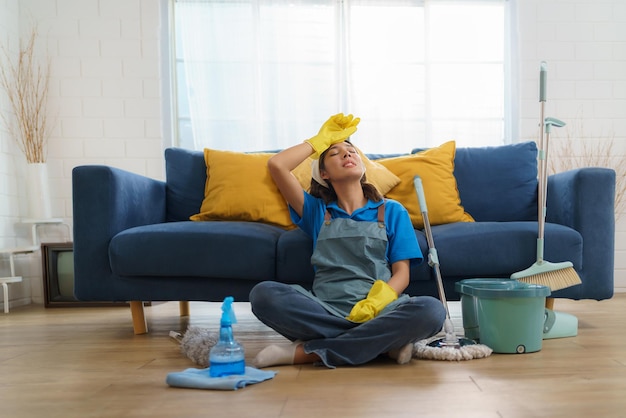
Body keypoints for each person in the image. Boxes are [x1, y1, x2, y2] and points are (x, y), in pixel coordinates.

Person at [249, 113, 446, 368]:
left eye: (351, 150)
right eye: (335, 153)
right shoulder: (317, 211)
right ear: (323, 173)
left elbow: (402, 274)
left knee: (432, 311)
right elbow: (277, 165)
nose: (347, 154)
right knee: (263, 295)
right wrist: (318, 141)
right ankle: (382, 345)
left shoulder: (391, 210)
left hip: (380, 311)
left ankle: (304, 353)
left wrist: (378, 302)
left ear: (362, 164)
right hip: (325, 309)